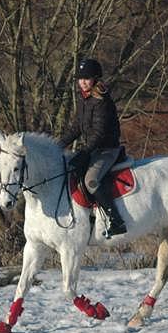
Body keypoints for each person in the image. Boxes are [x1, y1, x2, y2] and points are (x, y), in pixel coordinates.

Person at [61, 58, 127, 237]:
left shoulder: (101, 101)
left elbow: (99, 133)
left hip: (107, 150)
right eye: (80, 78)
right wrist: (57, 145)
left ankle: (116, 220)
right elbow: (76, 127)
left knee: (91, 180)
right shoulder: (83, 99)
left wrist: (84, 152)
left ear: (95, 79)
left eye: (86, 78)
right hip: (92, 149)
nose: (82, 82)